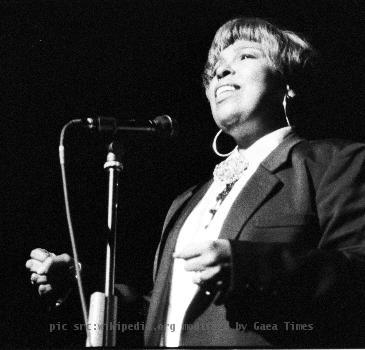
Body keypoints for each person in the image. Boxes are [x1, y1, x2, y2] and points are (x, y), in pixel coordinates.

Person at [26, 17, 365, 347]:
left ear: (287, 82)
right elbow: (168, 317)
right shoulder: (187, 201)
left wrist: (246, 266)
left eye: (245, 56)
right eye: (215, 66)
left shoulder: (334, 163)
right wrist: (83, 291)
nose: (220, 70)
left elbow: (356, 275)